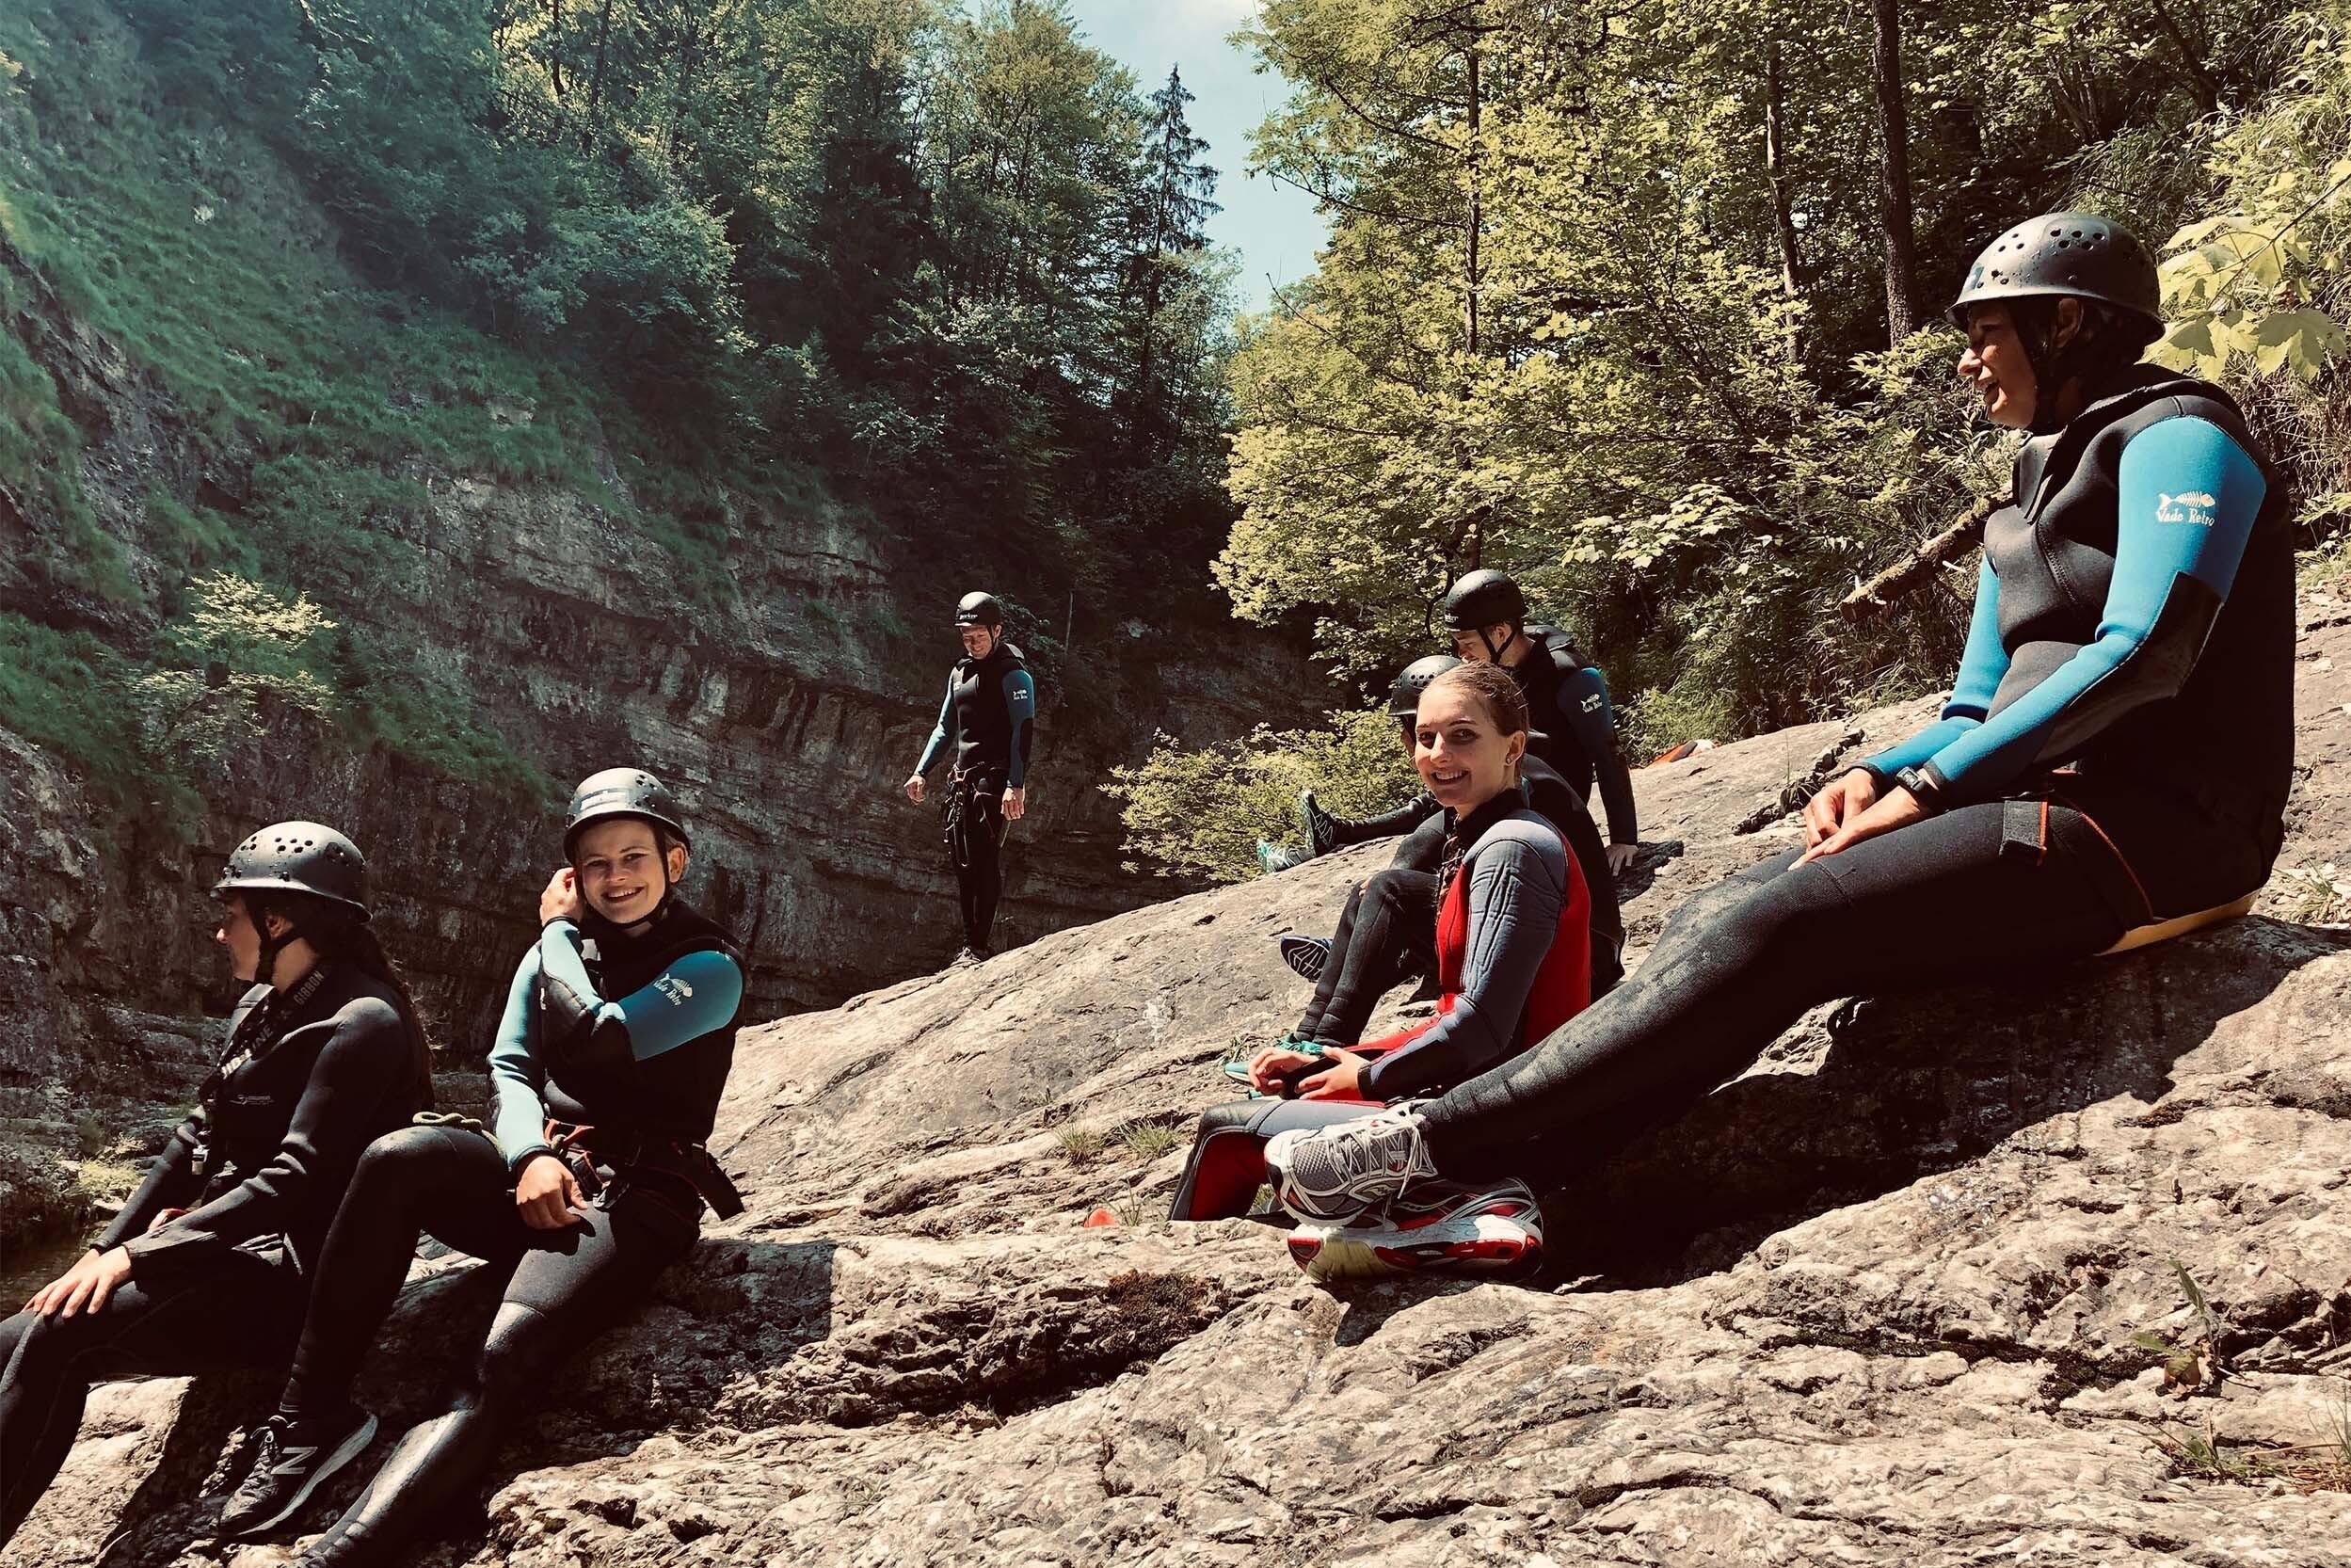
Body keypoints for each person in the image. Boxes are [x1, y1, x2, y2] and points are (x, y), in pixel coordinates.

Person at [1262, 211, 2295, 1240]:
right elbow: (1975, 706)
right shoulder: (2022, 496)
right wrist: (1882, 767)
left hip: (2151, 830)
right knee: (1726, 906)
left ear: (2066, 324)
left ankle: (1428, 1146)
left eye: (1986, 333)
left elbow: (2144, 651)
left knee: (1778, 928)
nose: (1970, 362)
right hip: (2032, 806)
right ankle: (1513, 1163)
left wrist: (1926, 791)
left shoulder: (2180, 438)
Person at [212, 769, 747, 1560]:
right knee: (398, 1157)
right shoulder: (552, 955)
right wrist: (529, 1153)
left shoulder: (709, 966)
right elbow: (511, 1069)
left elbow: (602, 1036)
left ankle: (338, 1556)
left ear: (676, 862)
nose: (615, 878)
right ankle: (307, 1419)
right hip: (543, 1173)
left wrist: (558, 932)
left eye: (635, 856)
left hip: (635, 1196)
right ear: (574, 873)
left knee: (499, 1358)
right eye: (595, 864)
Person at [0, 824, 431, 1548]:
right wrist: (102, 1249)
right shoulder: (260, 1011)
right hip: (223, 1254)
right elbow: (190, 1142)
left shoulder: (364, 1021)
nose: (218, 930)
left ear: (280, 919)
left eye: (232, 913)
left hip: (287, 1278)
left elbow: (298, 1175)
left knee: (58, 1339)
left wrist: (144, 1255)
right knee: (10, 1334)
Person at [1174, 664, 1591, 1278]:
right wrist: (1341, 1060)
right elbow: (1463, 1016)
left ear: (1515, 748)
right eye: (1426, 738)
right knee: (1295, 1092)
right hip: (1488, 1096)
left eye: (1462, 736)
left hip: (1499, 1118)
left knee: (1224, 1136)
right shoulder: (1483, 836)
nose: (1438, 754)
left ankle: (1170, 1271)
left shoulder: (1513, 850)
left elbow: (1483, 1027)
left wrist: (1370, 1081)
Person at [1270, 654, 1627, 999]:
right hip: (1587, 947)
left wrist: (1389, 898)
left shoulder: (1521, 785)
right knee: (1385, 891)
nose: (1434, 748)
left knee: (1390, 894)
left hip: (1581, 961)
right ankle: (1359, 963)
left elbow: (1431, 847)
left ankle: (1368, 971)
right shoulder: (1511, 771)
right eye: (1428, 736)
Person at [1323, 570, 1640, 879]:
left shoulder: (1571, 675)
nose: (1461, 654)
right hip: (1502, 784)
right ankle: (1364, 850)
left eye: (1466, 643)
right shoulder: (1493, 666)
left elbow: (1607, 750)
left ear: (1501, 633)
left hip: (1546, 797)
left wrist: (1624, 837)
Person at [904, 591, 1039, 963]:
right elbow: (945, 728)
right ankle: (969, 944)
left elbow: (1022, 730)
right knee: (962, 861)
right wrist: (921, 772)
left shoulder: (1014, 674)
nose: (972, 642)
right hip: (963, 780)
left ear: (997, 630)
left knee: (983, 859)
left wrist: (1016, 784)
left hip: (995, 782)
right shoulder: (959, 671)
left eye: (979, 635)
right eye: (966, 636)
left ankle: (979, 945)